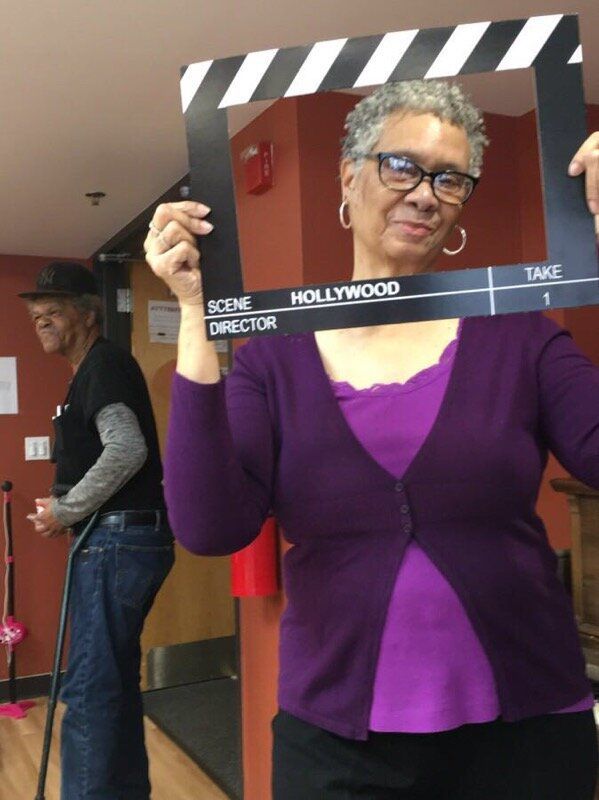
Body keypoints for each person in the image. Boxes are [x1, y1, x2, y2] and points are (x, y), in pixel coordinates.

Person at [145, 81, 599, 799]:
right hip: (337, 746)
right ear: (346, 175)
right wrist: (199, 317)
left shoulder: (520, 339)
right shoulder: (273, 357)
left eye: (449, 178)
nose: (425, 193)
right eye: (401, 166)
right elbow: (208, 525)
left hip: (529, 732)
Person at [21, 261, 174, 800]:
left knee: (87, 688)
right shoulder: (88, 370)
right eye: (36, 314)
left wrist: (66, 511)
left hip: (117, 542)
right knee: (112, 686)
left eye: (53, 311)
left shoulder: (105, 364)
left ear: (88, 315)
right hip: (116, 539)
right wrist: (65, 507)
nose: (41, 320)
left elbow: (127, 451)